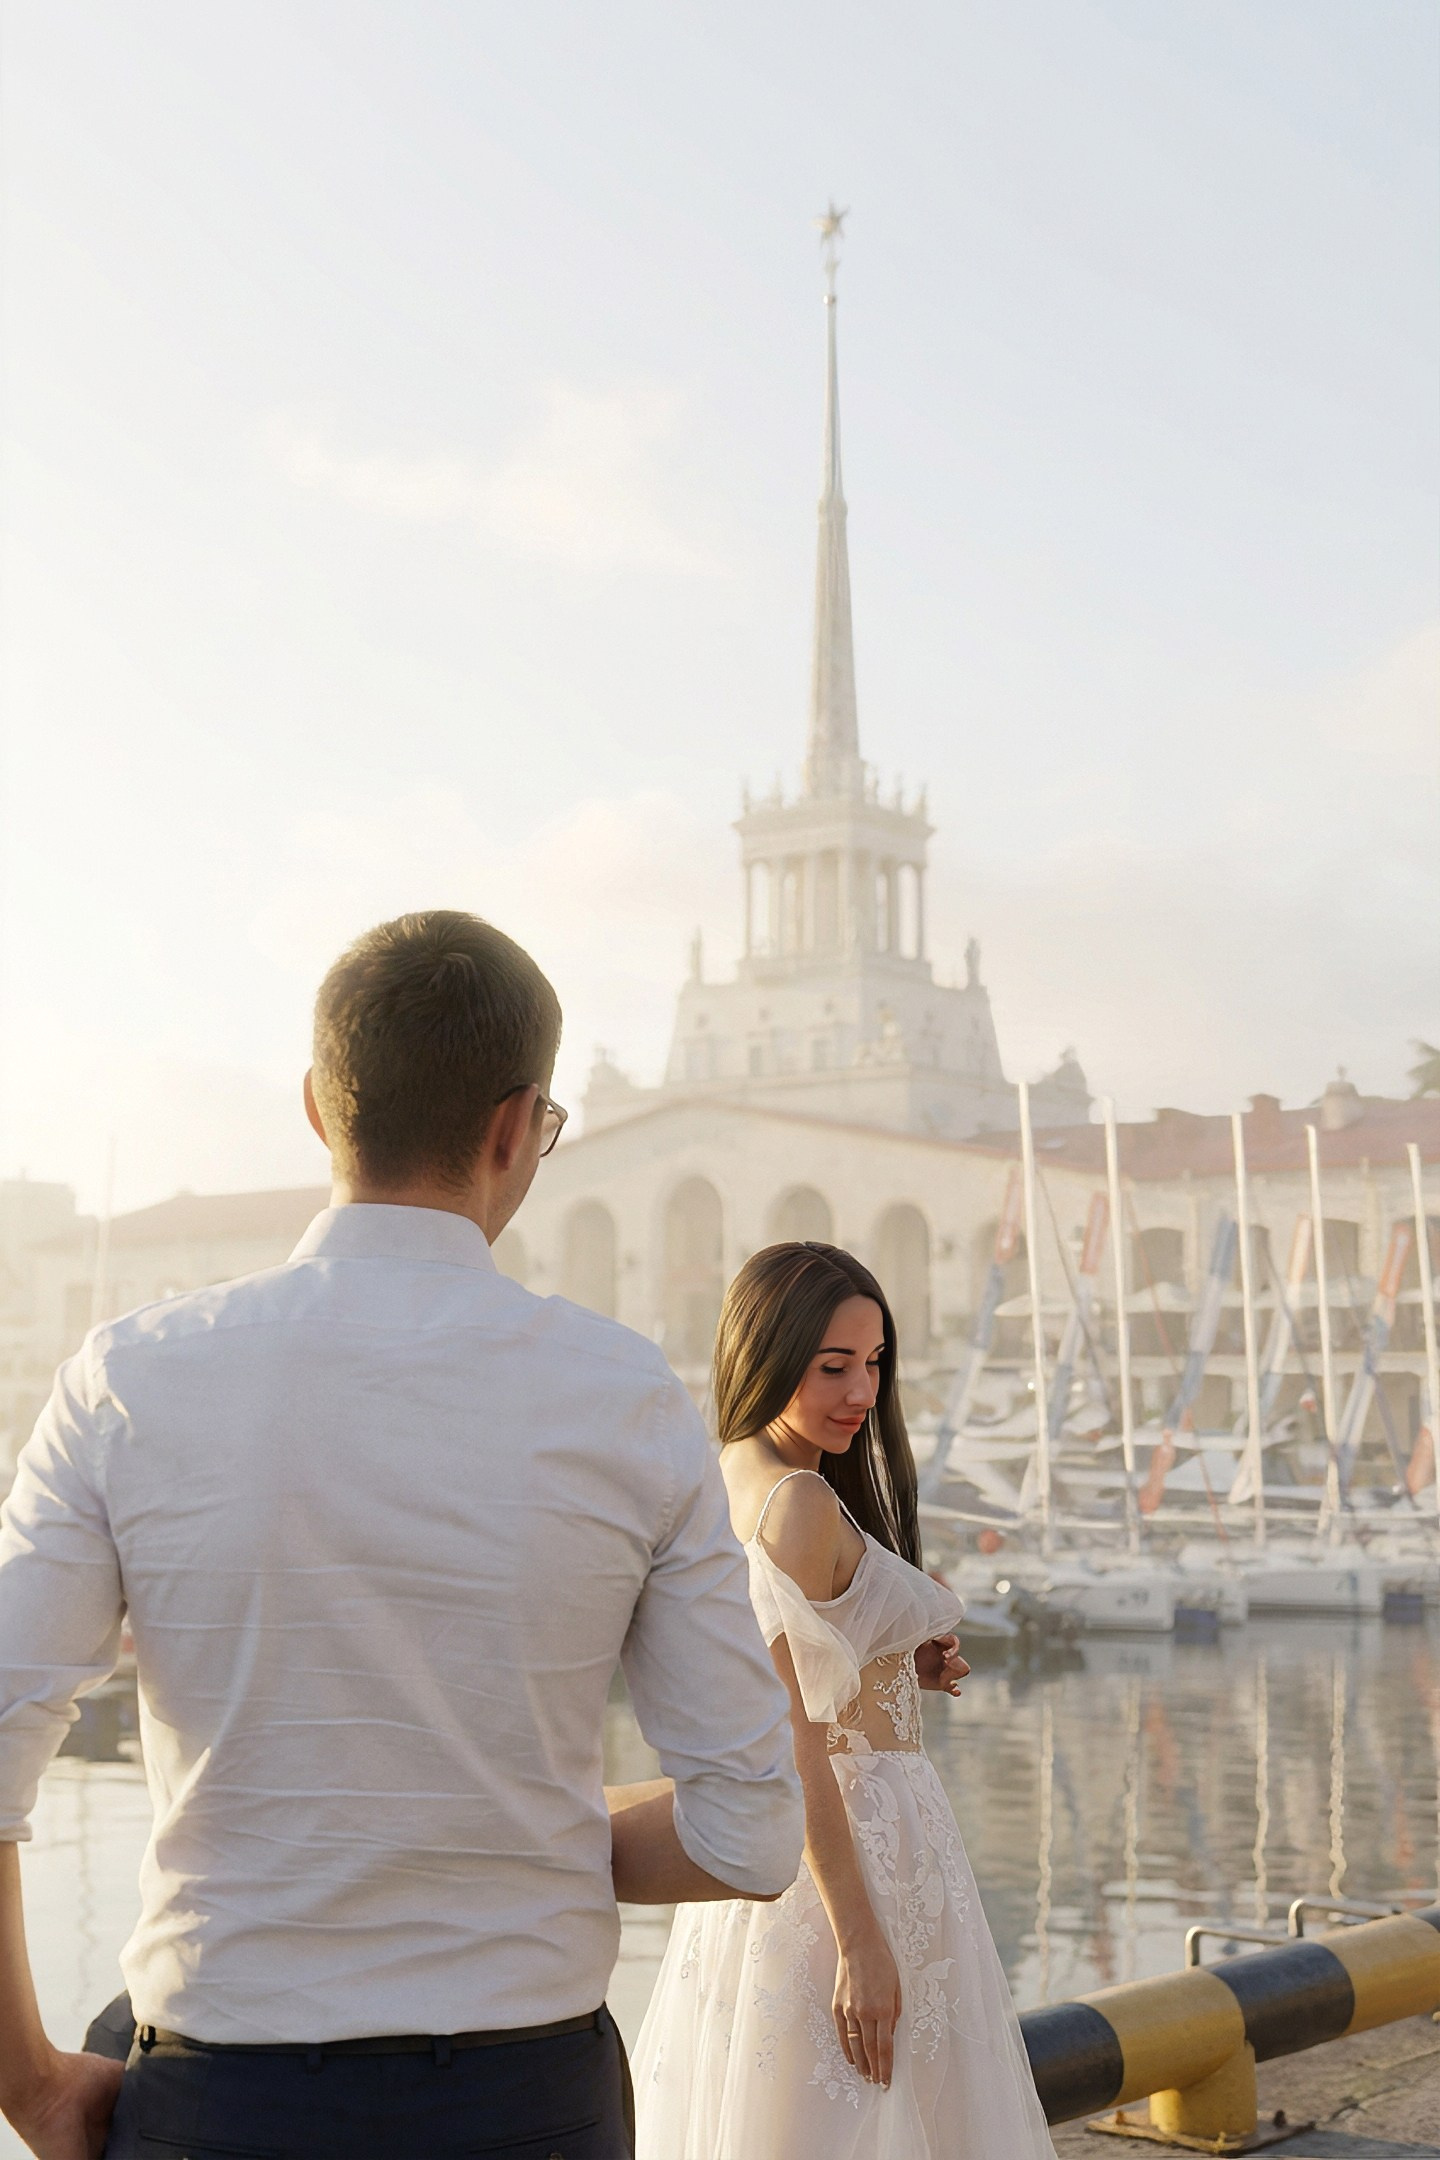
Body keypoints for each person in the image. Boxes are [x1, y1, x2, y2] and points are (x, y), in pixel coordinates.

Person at [0, 911, 804, 2160]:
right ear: (513, 1127)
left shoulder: (126, 1383)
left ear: (320, 1108)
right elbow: (749, 1833)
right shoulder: (628, 1400)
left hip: (221, 2101)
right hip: (527, 2103)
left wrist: (32, 2085)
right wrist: (501, 1833)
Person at [633, 1241, 1057, 2159]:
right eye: (834, 1367)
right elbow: (796, 1735)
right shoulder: (800, 1502)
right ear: (769, 1351)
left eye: (873, 1364)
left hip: (786, 1861)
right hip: (858, 1855)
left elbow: (795, 1677)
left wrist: (899, 1662)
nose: (862, 1391)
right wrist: (860, 1937)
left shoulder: (726, 1477)